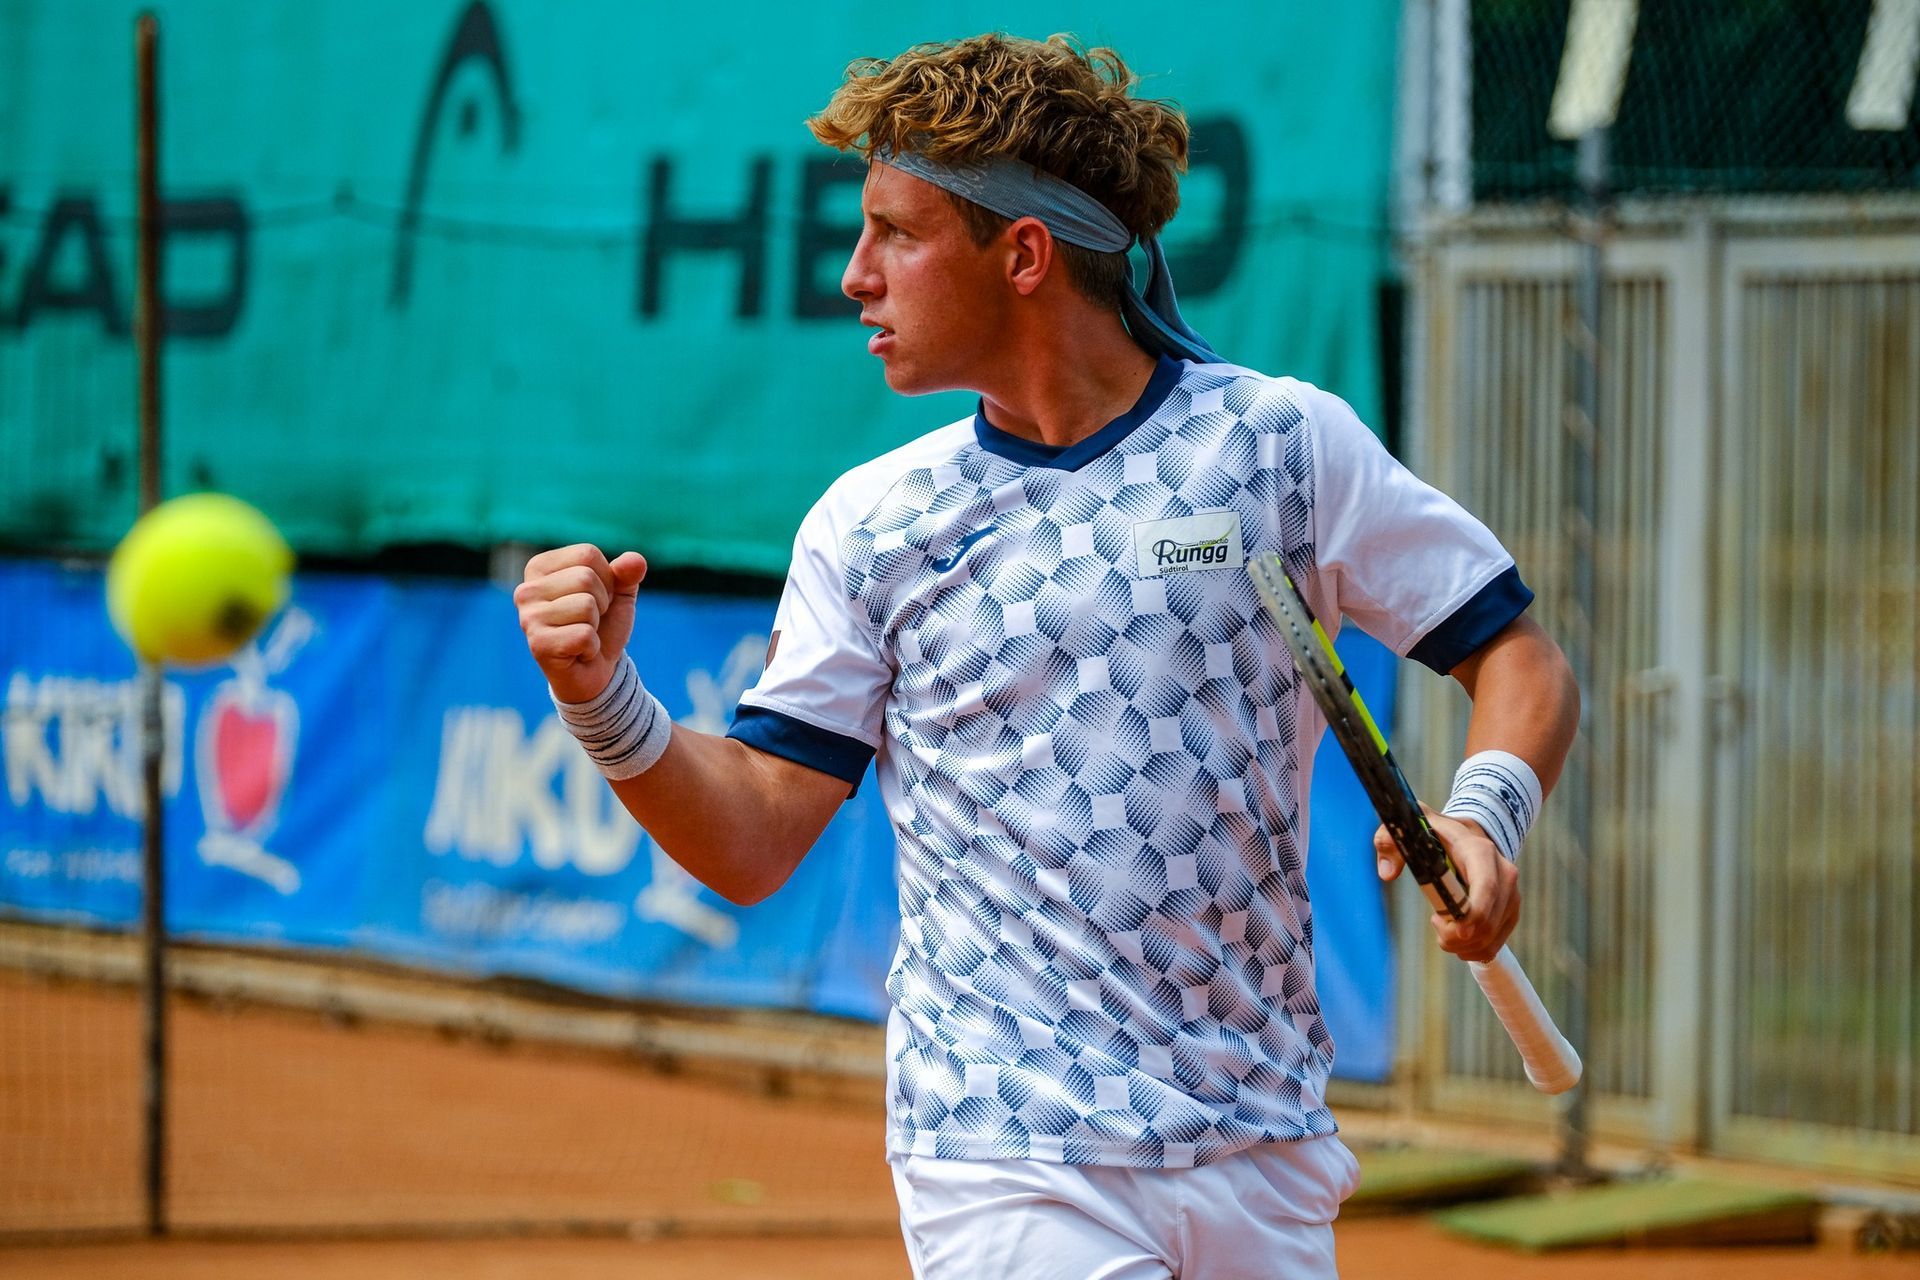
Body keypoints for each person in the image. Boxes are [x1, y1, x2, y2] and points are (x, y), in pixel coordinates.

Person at [516, 33, 1579, 1280]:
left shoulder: (1282, 445)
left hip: (1266, 1137)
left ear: (1022, 254)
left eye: (894, 233)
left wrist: (1489, 814)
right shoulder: (871, 526)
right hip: (1004, 1146)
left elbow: (1516, 655)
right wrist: (601, 699)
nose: (855, 275)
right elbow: (753, 836)